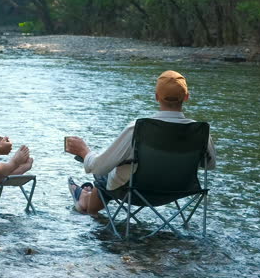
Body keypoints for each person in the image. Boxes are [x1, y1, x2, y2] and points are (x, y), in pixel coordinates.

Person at [65, 70, 216, 215]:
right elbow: (209, 165)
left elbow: (98, 167)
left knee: (103, 176)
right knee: (112, 172)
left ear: (157, 97)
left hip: (134, 191)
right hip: (179, 190)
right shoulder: (201, 132)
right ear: (186, 97)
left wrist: (84, 151)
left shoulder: (138, 129)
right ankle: (86, 199)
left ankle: (87, 205)